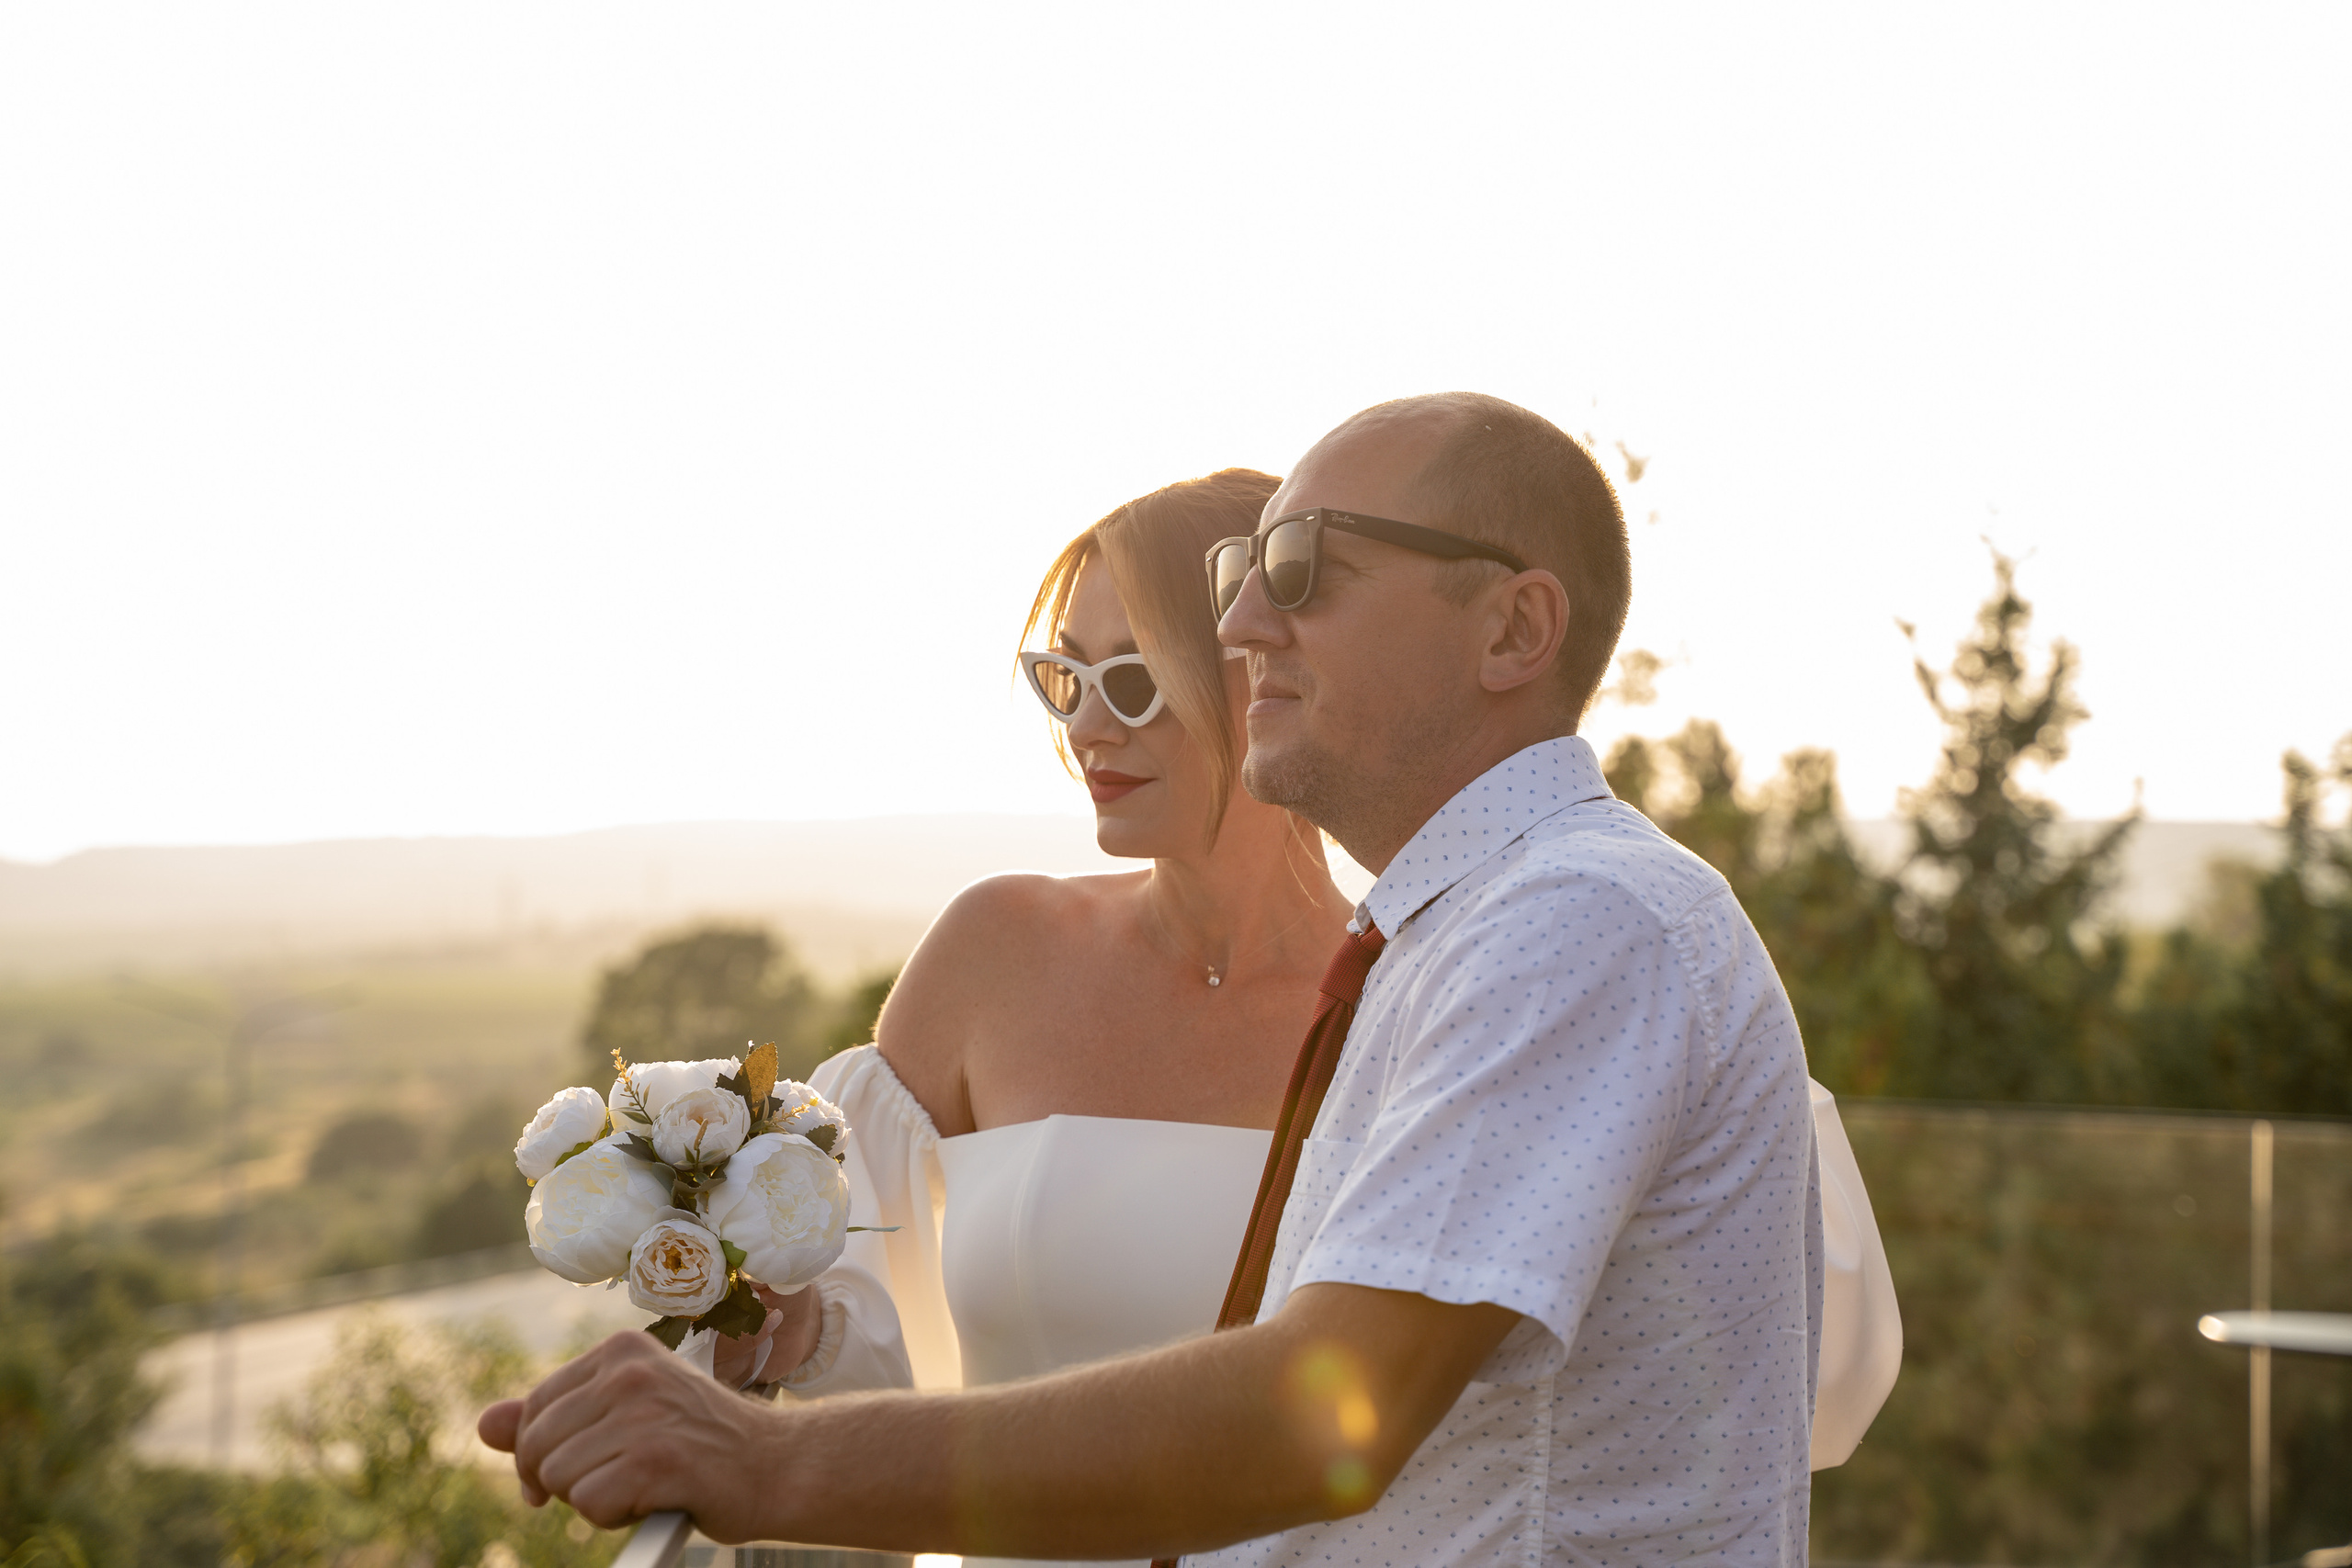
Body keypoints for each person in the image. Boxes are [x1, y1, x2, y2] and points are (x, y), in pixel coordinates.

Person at [483, 393, 1895, 1564]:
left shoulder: (1577, 925)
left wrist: (770, 1465)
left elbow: (1313, 1423)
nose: (1239, 632)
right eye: (1235, 583)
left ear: (1515, 631)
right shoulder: (1457, 940)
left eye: (1303, 573)